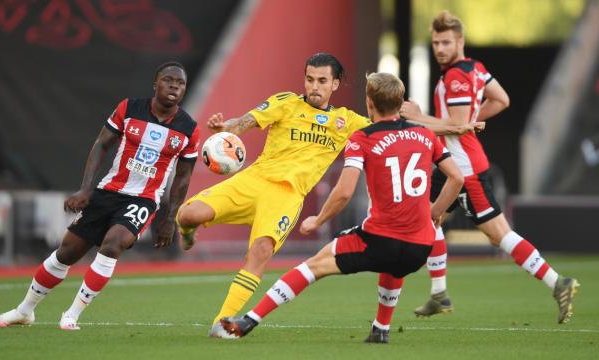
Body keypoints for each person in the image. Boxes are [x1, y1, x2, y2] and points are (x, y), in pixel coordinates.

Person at [177, 53, 475, 338]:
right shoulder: (286, 102)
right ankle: (188, 233)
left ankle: (221, 323)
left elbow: (394, 124)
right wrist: (225, 127)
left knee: (261, 251)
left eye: (321, 81)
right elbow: (246, 121)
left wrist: (456, 127)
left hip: (287, 195)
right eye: (309, 79)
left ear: (335, 85)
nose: (313, 87)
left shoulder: (348, 122)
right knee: (188, 215)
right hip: (252, 181)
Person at [0, 62, 200, 330]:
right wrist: (86, 189)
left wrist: (170, 217)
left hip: (143, 199)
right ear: (155, 84)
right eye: (168, 80)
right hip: (108, 191)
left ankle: (72, 314)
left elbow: (183, 177)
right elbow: (101, 145)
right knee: (67, 253)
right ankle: (24, 311)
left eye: (180, 83)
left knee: (113, 244)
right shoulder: (129, 108)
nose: (174, 86)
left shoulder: (188, 128)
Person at [400, 10, 579, 323]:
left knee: (499, 236)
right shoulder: (476, 69)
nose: (439, 48)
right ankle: (439, 293)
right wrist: (470, 119)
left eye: (445, 42)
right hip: (450, 165)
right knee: (427, 217)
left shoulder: (456, 76)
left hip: (464, 169)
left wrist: (416, 116)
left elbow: (454, 127)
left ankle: (558, 283)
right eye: (435, 43)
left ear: (460, 42)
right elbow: (501, 100)